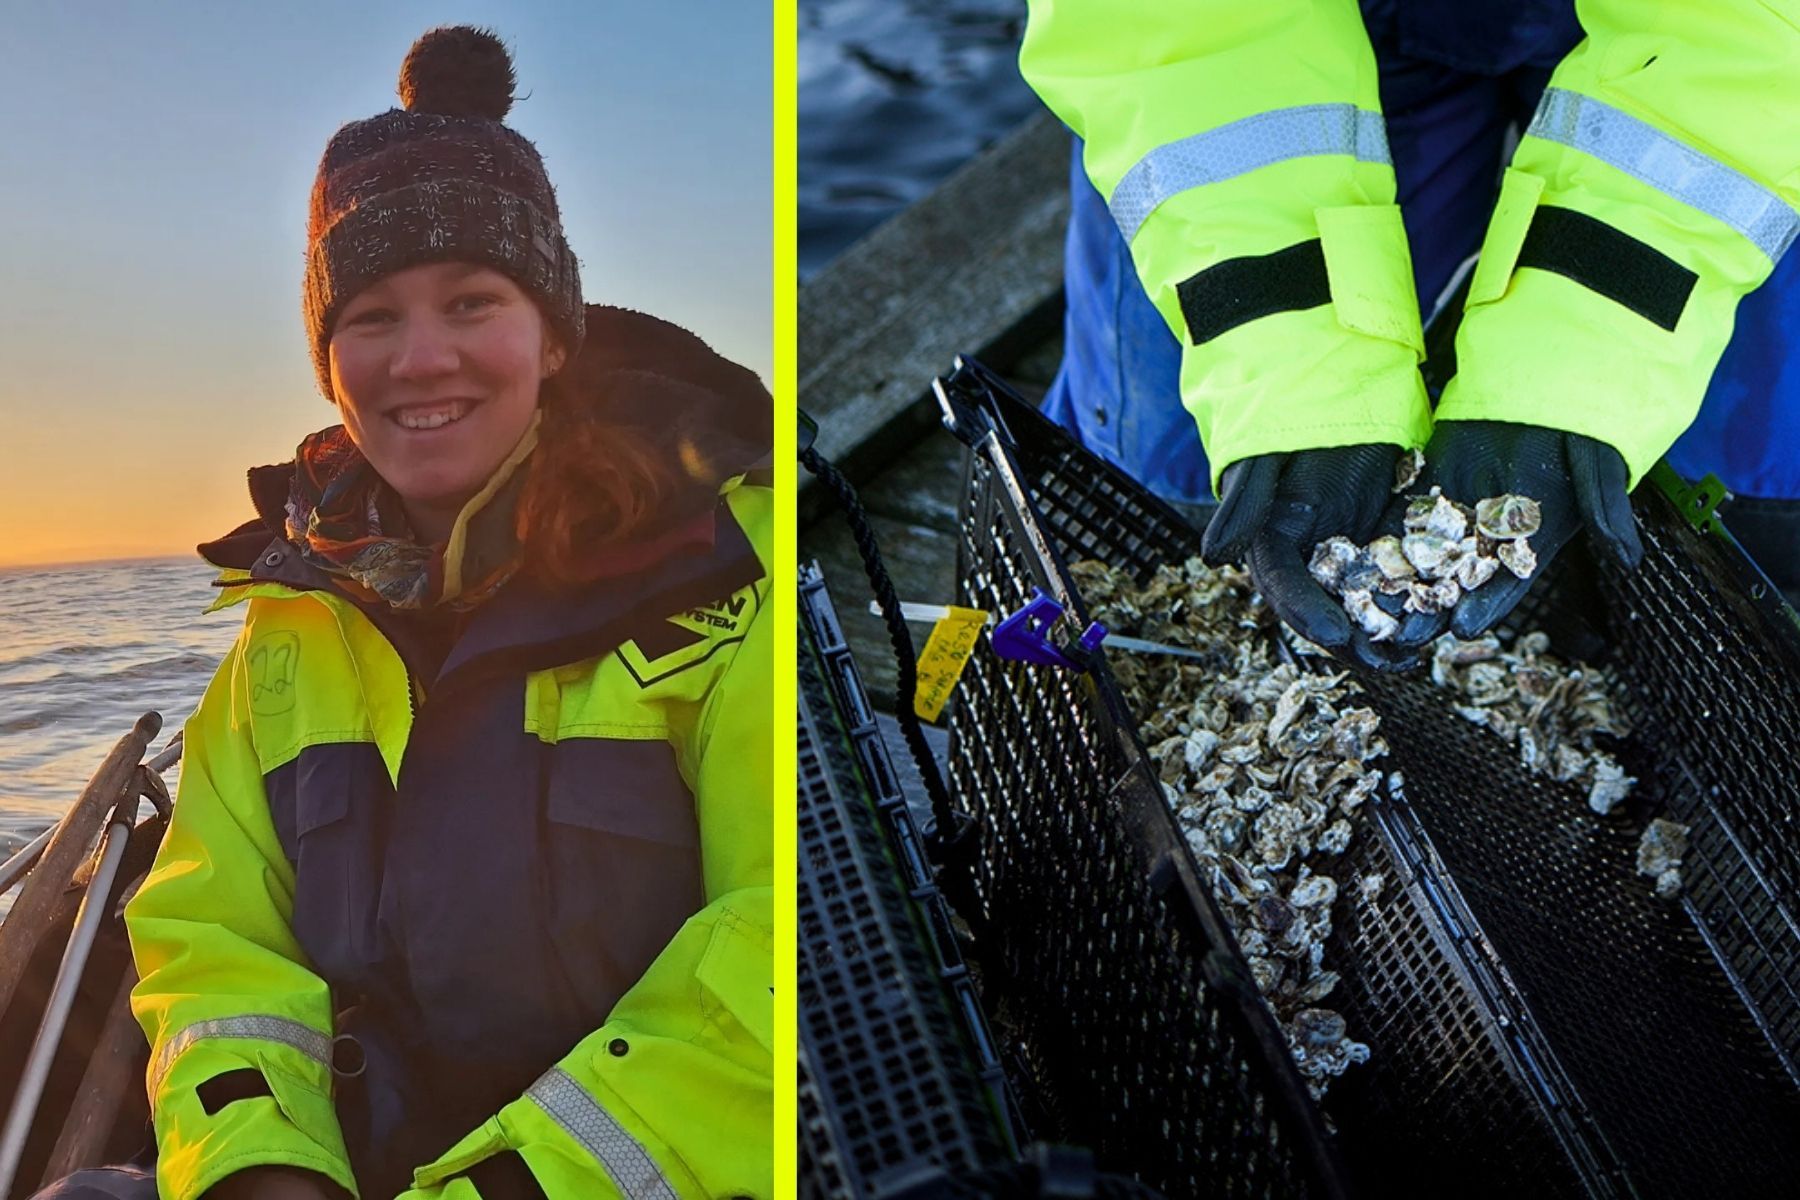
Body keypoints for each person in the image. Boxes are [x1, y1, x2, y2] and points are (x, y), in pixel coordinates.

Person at [37, 26, 771, 1200]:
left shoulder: (731, 570)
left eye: (473, 300)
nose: (421, 359)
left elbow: (779, 952)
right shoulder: (287, 629)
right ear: (329, 361)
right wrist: (261, 1172)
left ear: (553, 330)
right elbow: (209, 945)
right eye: (370, 317)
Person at [1019, 0, 1800, 668]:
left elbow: (1746, 53)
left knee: (1757, 476)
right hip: (1273, 31)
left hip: (1748, 45)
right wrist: (1298, 379)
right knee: (1169, 477)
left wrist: (1575, 368)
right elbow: (1174, 35)